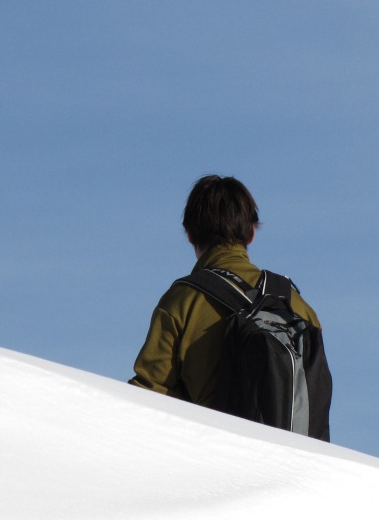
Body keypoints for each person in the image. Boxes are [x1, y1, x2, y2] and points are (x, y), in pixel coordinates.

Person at [129, 174, 322, 408]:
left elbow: (148, 395)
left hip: (211, 432)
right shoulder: (297, 306)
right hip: (290, 434)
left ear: (190, 234)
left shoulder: (182, 300)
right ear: (251, 233)